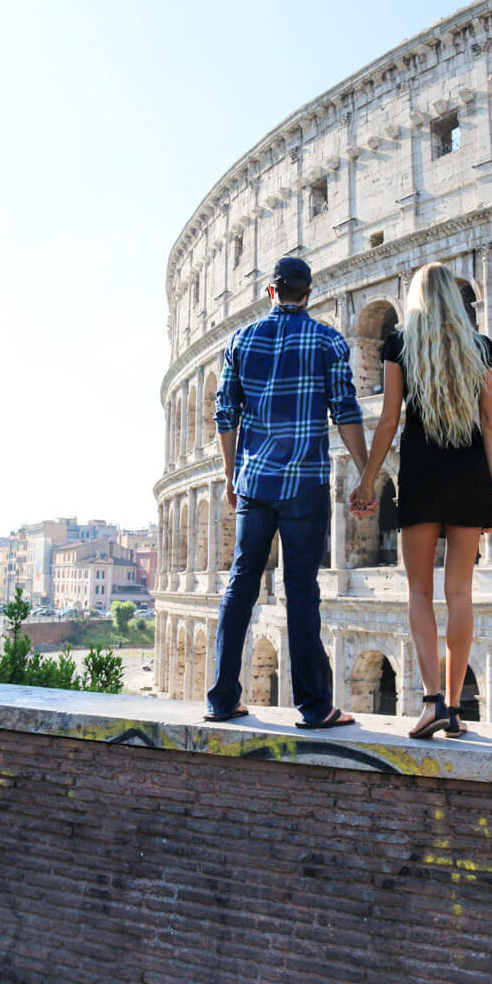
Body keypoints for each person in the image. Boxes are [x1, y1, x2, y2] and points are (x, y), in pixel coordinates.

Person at [205, 256, 369, 729]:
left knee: (240, 587)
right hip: (306, 484)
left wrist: (232, 475)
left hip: (255, 484)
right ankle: (315, 708)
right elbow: (345, 411)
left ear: (270, 293)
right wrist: (365, 473)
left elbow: (225, 416)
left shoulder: (241, 339)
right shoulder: (328, 340)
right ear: (309, 293)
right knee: (301, 593)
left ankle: (221, 699)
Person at [350, 262, 492, 740]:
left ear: (415, 298)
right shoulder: (481, 348)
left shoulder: (401, 344)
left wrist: (369, 479)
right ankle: (456, 710)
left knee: (418, 591)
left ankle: (431, 701)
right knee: (460, 593)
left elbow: (390, 419)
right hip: (471, 478)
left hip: (422, 477)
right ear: (455, 299)